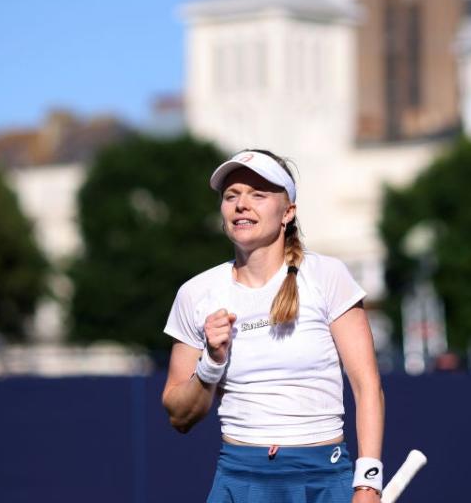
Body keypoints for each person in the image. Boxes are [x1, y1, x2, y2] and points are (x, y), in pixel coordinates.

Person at [162, 149, 385, 502]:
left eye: (258, 194)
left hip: (323, 479)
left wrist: (368, 483)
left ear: (288, 212)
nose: (241, 205)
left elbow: (367, 385)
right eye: (231, 196)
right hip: (238, 476)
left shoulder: (328, 276)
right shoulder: (195, 293)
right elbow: (179, 415)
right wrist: (211, 363)